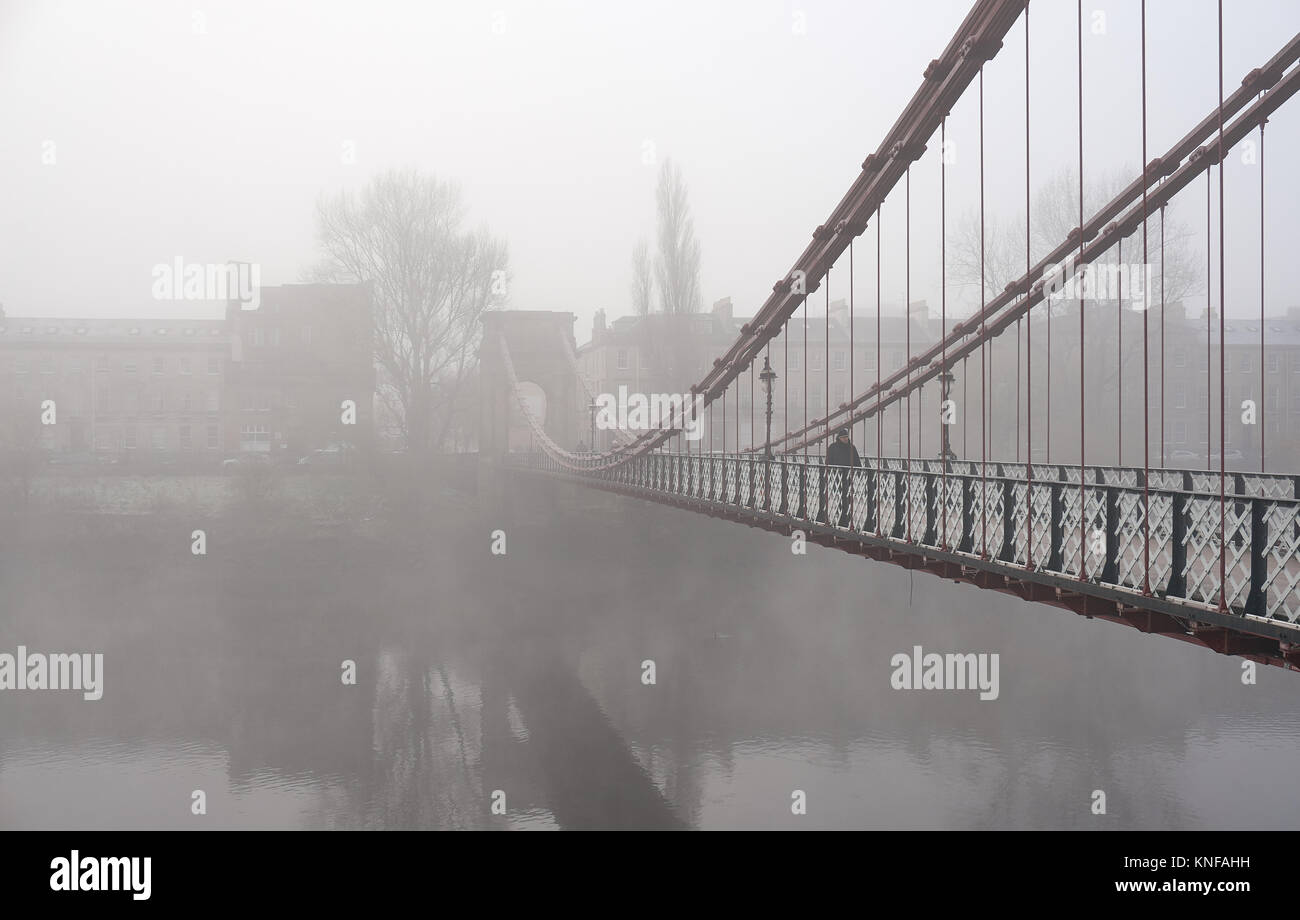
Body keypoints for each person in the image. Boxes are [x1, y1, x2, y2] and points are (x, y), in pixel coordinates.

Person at [822, 426, 861, 527]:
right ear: (839, 438)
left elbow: (857, 460)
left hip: (849, 475)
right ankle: (842, 512)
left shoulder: (852, 447)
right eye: (843, 437)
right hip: (837, 475)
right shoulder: (832, 447)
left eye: (846, 437)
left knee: (848, 494)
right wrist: (829, 471)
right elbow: (828, 461)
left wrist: (860, 472)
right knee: (840, 494)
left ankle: (847, 512)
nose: (845, 439)